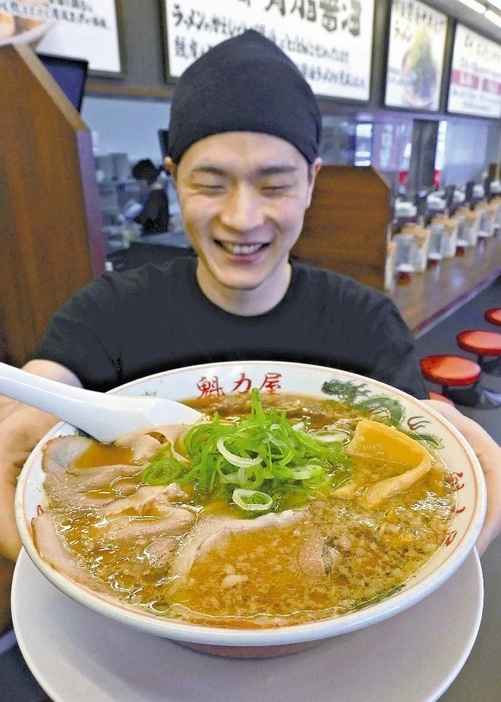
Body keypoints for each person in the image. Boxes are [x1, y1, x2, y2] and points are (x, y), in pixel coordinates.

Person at [1, 29, 500, 640]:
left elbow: (412, 426)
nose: (242, 218)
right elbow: (47, 385)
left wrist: (456, 440)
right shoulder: (108, 308)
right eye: (210, 183)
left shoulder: (366, 319)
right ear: (173, 176)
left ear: (312, 181)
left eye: (274, 184)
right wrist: (18, 409)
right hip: (126, 634)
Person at [130, 158, 170, 234]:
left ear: (144, 181)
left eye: (138, 182)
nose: (139, 186)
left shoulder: (155, 196)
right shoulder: (158, 193)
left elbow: (148, 219)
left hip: (156, 239)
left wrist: (134, 218)